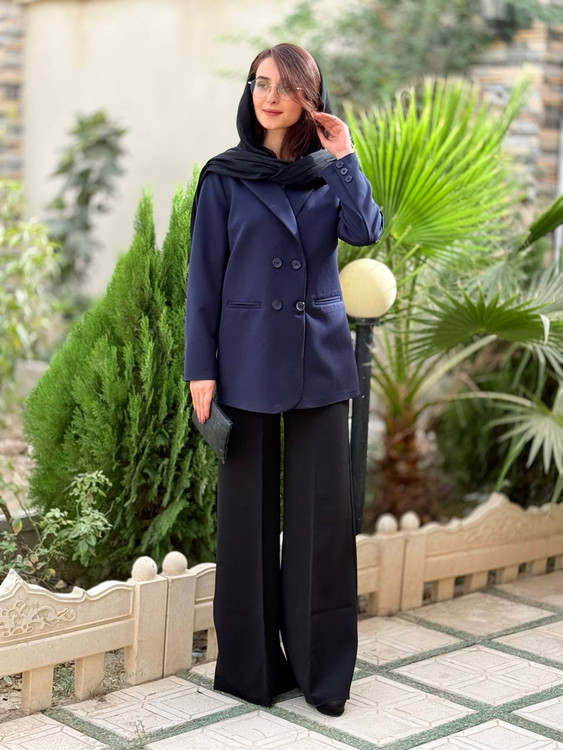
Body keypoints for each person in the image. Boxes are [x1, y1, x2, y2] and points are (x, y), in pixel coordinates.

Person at [184, 42, 384, 717]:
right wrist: (200, 369)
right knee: (245, 521)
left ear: (310, 98)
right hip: (244, 362)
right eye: (260, 83)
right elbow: (203, 280)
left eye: (286, 86)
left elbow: (365, 231)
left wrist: (344, 157)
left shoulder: (330, 170)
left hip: (318, 360)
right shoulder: (224, 175)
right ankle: (251, 670)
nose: (270, 97)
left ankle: (322, 671)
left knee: (321, 522)